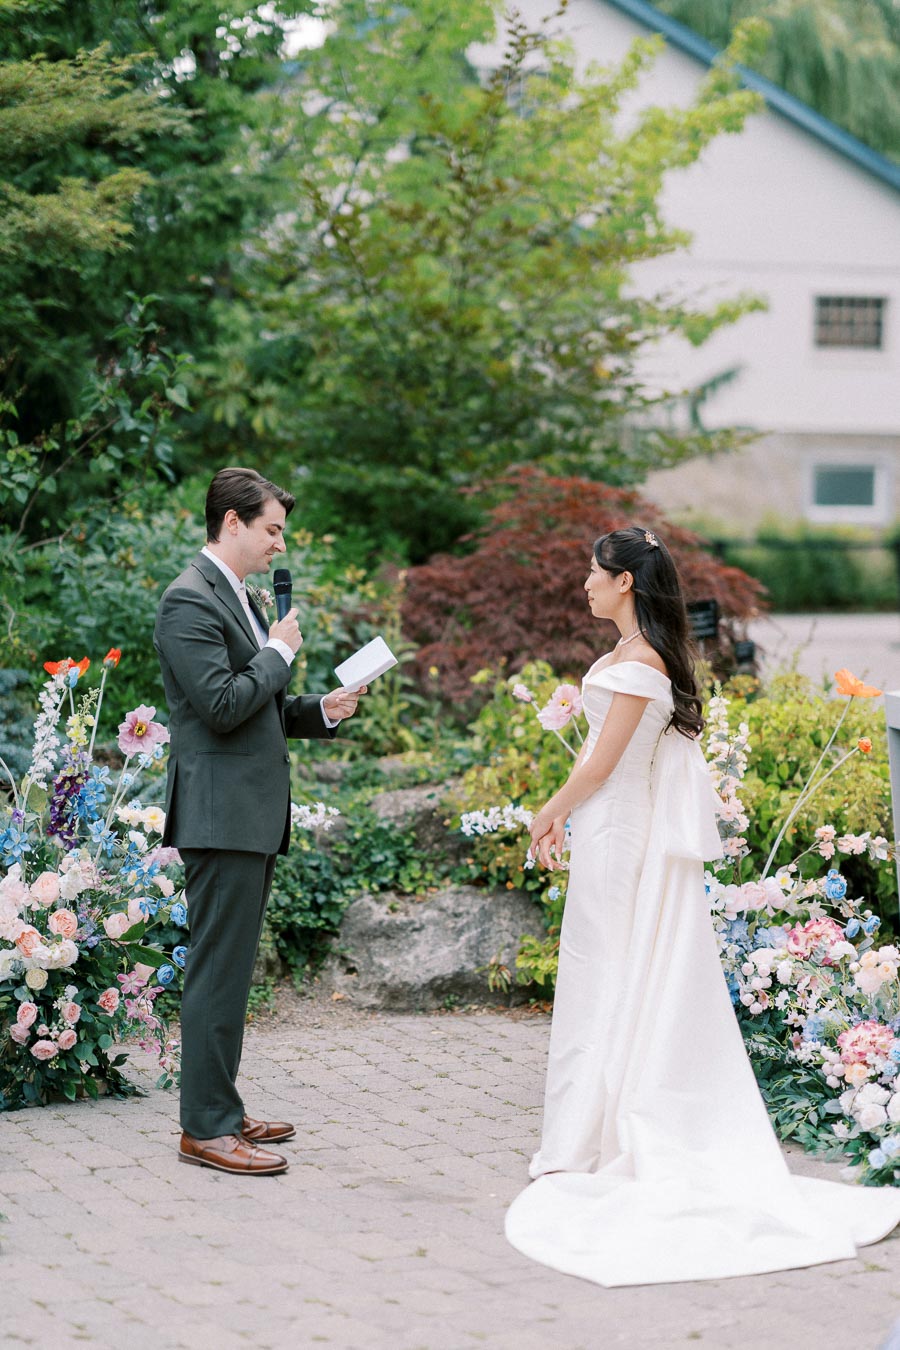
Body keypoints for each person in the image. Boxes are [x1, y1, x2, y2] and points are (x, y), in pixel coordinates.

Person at [505, 524, 900, 1285]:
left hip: (620, 836)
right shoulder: (632, 655)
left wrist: (545, 811)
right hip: (611, 830)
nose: (584, 582)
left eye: (593, 571)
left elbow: (602, 762)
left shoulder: (642, 663)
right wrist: (564, 814)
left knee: (610, 972)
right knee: (599, 973)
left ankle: (598, 1134)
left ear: (625, 582)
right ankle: (585, 1130)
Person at [153, 467, 366, 1177]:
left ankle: (222, 1105)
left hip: (247, 811)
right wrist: (278, 652)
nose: (280, 543)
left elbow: (257, 705)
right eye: (272, 529)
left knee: (233, 971)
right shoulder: (188, 600)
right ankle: (204, 1129)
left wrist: (319, 711)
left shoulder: (236, 596)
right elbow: (218, 705)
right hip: (220, 816)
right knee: (217, 971)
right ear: (233, 523)